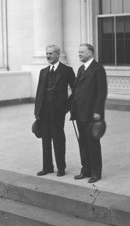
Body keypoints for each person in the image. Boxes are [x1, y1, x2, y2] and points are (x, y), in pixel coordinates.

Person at [34, 45, 75, 177]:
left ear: (58, 55)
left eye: (51, 53)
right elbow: (39, 92)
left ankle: (61, 167)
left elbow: (75, 90)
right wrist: (37, 111)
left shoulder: (67, 70)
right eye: (47, 53)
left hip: (58, 111)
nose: (48, 56)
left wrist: (66, 106)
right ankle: (47, 167)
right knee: (45, 139)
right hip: (44, 111)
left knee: (58, 138)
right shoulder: (43, 71)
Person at [70, 43, 107, 183]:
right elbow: (76, 90)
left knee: (93, 142)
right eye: (78, 52)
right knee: (83, 142)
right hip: (80, 112)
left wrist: (98, 111)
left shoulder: (98, 69)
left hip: (92, 113)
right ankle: (85, 170)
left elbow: (101, 92)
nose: (79, 54)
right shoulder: (81, 69)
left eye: (82, 52)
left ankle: (96, 172)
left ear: (91, 53)